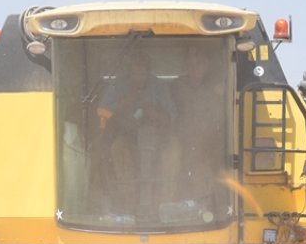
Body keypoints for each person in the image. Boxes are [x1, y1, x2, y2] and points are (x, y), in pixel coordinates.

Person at [95, 58, 179, 216]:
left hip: (158, 135)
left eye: (142, 73)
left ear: (149, 71)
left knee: (173, 152)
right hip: (125, 134)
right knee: (116, 150)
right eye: (134, 73)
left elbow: (173, 116)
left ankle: (164, 205)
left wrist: (156, 114)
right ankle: (129, 201)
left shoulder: (159, 86)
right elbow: (101, 111)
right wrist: (123, 103)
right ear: (129, 72)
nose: (138, 77)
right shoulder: (118, 85)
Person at [170, 46, 226, 200]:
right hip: (183, 139)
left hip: (213, 142)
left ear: (207, 65)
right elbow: (170, 116)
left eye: (199, 63)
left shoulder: (220, 87)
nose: (194, 68)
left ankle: (213, 203)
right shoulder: (176, 87)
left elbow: (222, 120)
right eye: (191, 64)